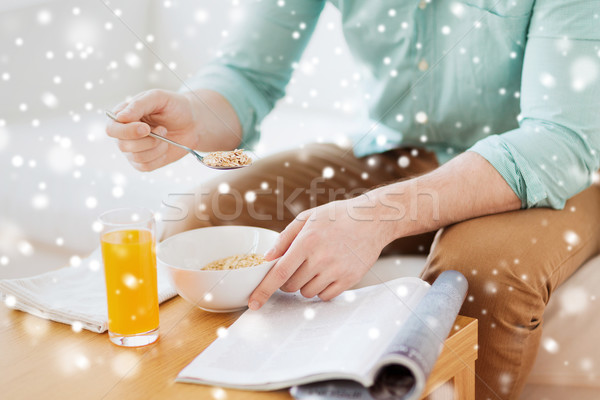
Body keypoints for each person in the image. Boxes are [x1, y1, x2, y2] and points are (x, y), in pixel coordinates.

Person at [105, 1, 600, 398]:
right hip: (392, 150)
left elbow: (560, 139)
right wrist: (194, 114)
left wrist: (377, 216)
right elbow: (249, 73)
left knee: (481, 272)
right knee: (203, 222)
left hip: (545, 169)